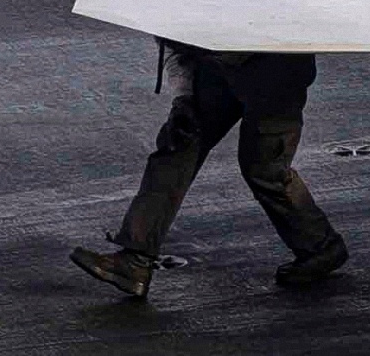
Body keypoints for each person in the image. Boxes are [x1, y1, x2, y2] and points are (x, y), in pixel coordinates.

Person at [71, 39, 345, 299]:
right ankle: (135, 260)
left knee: (264, 169)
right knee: (180, 143)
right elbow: (174, 48)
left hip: (275, 64)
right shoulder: (159, 7)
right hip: (219, 63)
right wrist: (184, 99)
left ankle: (320, 247)